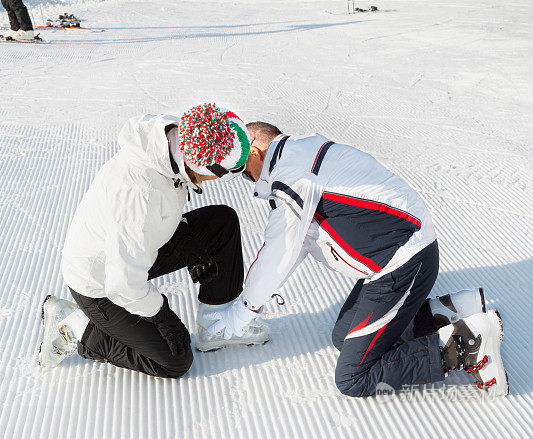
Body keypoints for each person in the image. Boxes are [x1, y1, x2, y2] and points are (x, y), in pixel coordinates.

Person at [205, 122, 508, 397]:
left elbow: (279, 251)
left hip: (402, 264)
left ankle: (468, 344)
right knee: (343, 337)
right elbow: (297, 245)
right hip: (403, 253)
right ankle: (453, 310)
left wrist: (242, 313)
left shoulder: (292, 180)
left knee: (353, 376)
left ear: (256, 151)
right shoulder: (305, 148)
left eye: (242, 170)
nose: (246, 178)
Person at [39, 104, 268, 378]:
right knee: (174, 360)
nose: (223, 179)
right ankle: (75, 329)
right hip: (99, 283)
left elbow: (162, 206)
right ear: (203, 167)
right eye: (225, 172)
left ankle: (215, 324)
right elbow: (122, 282)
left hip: (127, 248)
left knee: (222, 222)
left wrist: (183, 236)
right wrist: (162, 315)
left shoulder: (173, 145)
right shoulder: (138, 195)